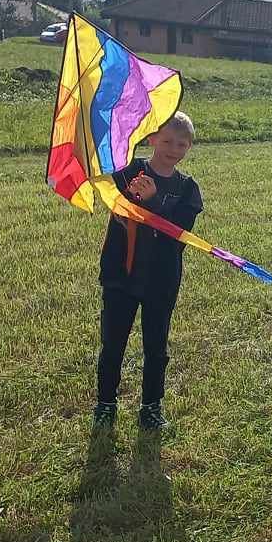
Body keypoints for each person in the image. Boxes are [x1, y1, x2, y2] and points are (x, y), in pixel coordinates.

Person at [93, 112, 203, 430]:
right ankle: (106, 403)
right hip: (120, 275)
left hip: (161, 280)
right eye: (166, 141)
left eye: (181, 144)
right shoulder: (128, 172)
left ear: (189, 147)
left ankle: (151, 407)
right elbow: (105, 186)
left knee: (156, 348)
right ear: (152, 138)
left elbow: (176, 233)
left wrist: (152, 203)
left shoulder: (187, 189)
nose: (173, 149)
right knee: (113, 344)